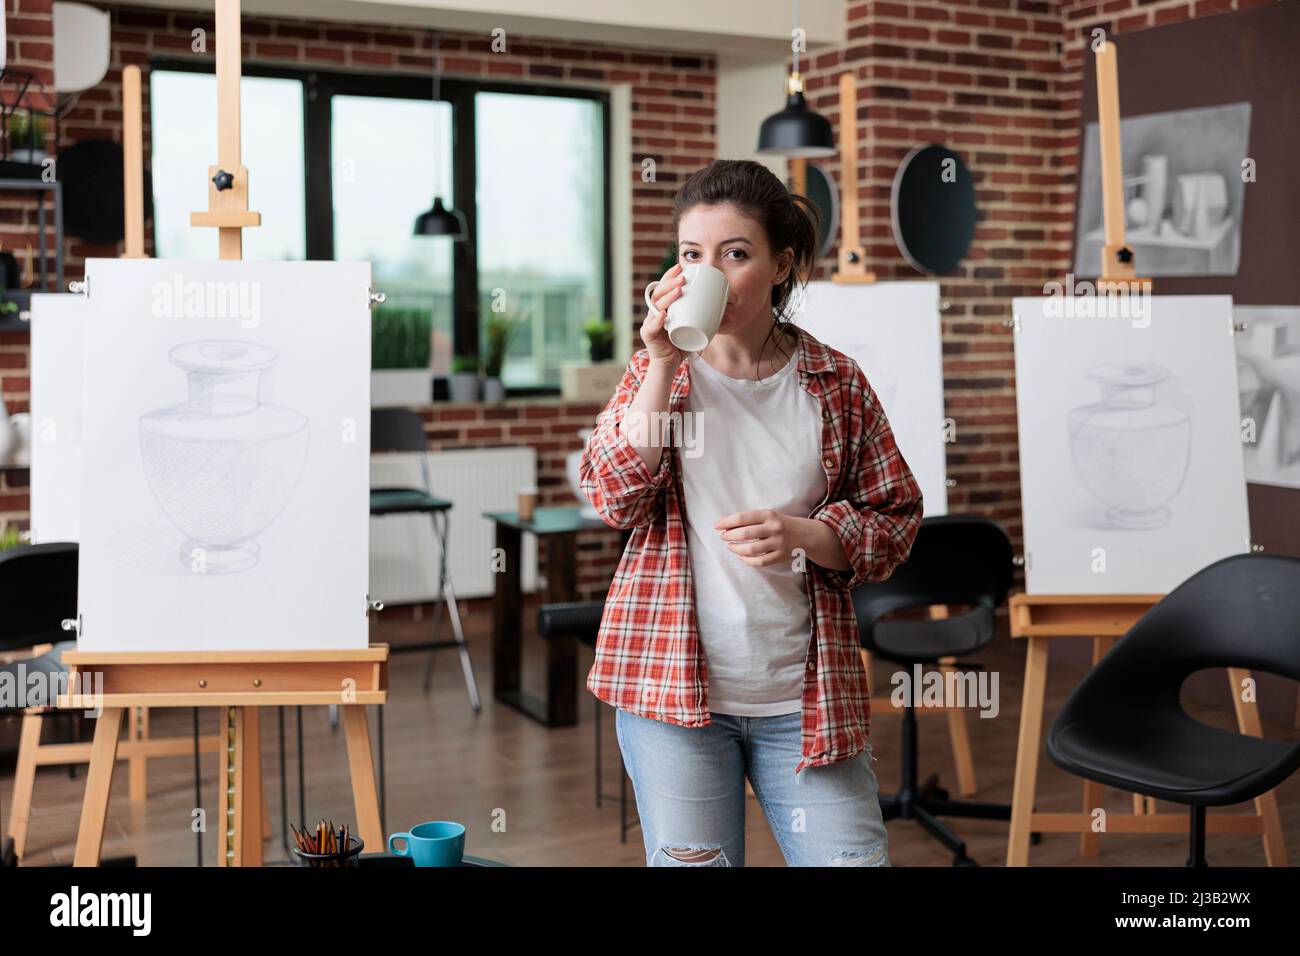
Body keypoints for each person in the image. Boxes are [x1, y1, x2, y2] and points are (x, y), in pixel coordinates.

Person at [579, 158, 923, 866]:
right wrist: (663, 364)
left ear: (780, 264)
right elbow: (614, 497)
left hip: (805, 696)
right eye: (691, 256)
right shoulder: (659, 375)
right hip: (671, 693)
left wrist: (814, 534)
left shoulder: (834, 382)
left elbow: (896, 516)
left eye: (735, 254)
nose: (712, 273)